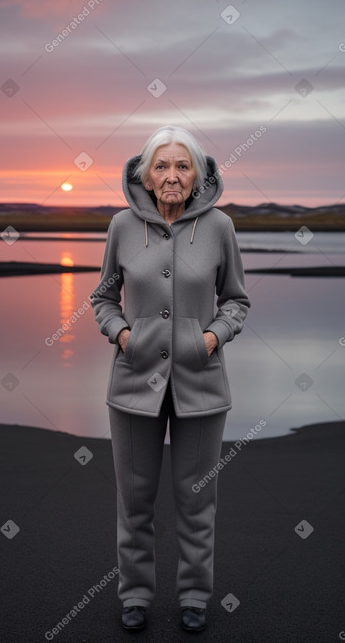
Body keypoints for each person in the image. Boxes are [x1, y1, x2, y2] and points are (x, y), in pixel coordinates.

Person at [90, 125, 250, 632]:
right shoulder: (121, 226)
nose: (173, 176)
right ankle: (135, 595)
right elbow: (102, 299)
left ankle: (195, 598)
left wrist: (212, 338)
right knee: (134, 500)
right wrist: (122, 336)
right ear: (145, 174)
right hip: (134, 384)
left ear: (198, 174)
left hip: (201, 386)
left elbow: (237, 301)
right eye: (162, 166)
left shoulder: (220, 226)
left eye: (183, 166)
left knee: (196, 501)